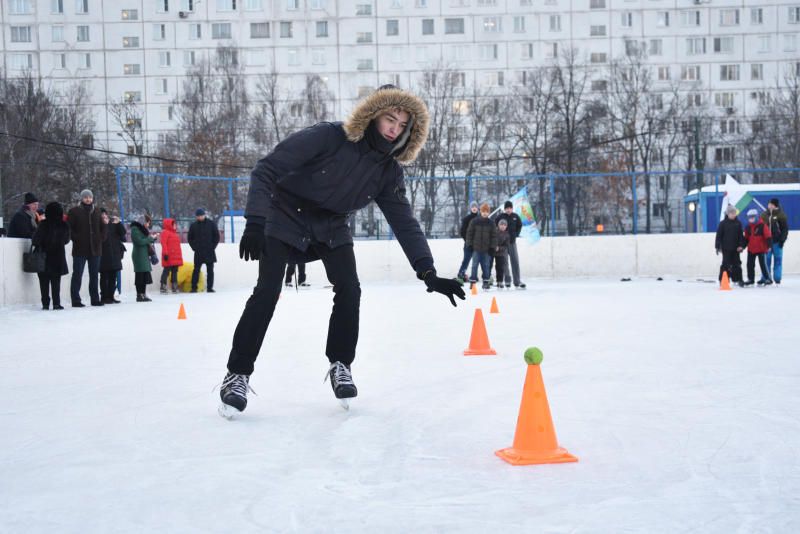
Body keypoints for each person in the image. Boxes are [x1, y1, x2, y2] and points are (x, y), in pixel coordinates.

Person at [218, 84, 464, 417]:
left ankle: (340, 365)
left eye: (402, 124)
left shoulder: (388, 172)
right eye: (390, 118)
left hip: (331, 226)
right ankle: (237, 374)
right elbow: (266, 168)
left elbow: (404, 222)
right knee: (267, 291)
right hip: (285, 215)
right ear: (373, 115)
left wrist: (427, 271)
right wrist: (255, 222)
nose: (394, 128)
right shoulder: (328, 137)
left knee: (350, 288)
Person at [67, 189, 106, 307]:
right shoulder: (74, 211)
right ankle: (75, 300)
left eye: (90, 197)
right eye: (85, 197)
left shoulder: (98, 211)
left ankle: (95, 299)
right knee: (77, 274)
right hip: (80, 249)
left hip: (95, 248)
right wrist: (76, 238)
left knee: (94, 275)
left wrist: (101, 238)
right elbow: (69, 228)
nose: (88, 199)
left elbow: (103, 227)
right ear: (81, 198)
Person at [31, 202, 70, 310]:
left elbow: (35, 240)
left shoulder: (43, 224)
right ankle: (56, 303)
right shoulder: (64, 225)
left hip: (44, 257)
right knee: (56, 282)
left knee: (43, 282)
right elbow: (66, 240)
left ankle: (45, 303)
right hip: (58, 257)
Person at [466, 203, 498, 290]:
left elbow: (494, 236)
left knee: (486, 266)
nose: (484, 213)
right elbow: (469, 233)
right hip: (476, 249)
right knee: (474, 265)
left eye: (486, 211)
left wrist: (492, 247)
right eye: (483, 211)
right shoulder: (475, 221)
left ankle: (486, 282)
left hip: (486, 250)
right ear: (480, 211)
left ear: (488, 212)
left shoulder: (491, 223)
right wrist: (469, 245)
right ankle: (473, 282)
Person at [495, 200, 526, 289]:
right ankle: (507, 281)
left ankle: (517, 281)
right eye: (507, 208)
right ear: (504, 209)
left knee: (515, 261)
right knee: (504, 262)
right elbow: (495, 225)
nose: (508, 210)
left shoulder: (515, 216)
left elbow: (519, 225)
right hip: (503, 244)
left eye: (510, 208)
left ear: (512, 208)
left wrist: (516, 234)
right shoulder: (500, 216)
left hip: (512, 242)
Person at [188, 208, 219, 293]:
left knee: (210, 270)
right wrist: (194, 247)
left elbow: (216, 236)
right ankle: (194, 288)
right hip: (198, 252)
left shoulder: (211, 224)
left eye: (201, 215)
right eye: (198, 216)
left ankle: (210, 288)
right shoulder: (193, 225)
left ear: (204, 215)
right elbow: (190, 238)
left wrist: (212, 246)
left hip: (209, 251)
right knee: (196, 270)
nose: (200, 217)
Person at [99, 208, 126, 304]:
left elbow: (123, 234)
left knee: (113, 276)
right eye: (102, 216)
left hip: (115, 254)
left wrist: (118, 223)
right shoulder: (99, 225)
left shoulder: (113, 224)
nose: (104, 217)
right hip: (103, 255)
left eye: (105, 215)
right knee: (104, 277)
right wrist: (105, 225)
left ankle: (111, 296)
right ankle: (104, 297)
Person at [715, 205, 745, 285]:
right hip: (726, 248)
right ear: (727, 214)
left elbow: (741, 236)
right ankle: (723, 280)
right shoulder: (723, 224)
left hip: (736, 249)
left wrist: (741, 245)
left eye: (734, 212)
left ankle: (738, 279)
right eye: (731, 213)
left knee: (737, 264)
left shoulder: (738, 223)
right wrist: (718, 247)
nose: (733, 214)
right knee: (725, 264)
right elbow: (719, 236)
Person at [130, 215, 159, 302]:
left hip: (144, 254)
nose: (148, 224)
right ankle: (139, 295)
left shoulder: (142, 229)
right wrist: (150, 238)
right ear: (143, 222)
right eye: (147, 222)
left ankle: (143, 294)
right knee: (140, 275)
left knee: (145, 275)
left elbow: (146, 240)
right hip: (139, 255)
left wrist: (153, 238)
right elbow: (139, 241)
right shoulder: (135, 229)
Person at [761, 198, 789, 285]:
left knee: (778, 261)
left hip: (777, 242)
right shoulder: (764, 215)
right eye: (769, 203)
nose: (769, 205)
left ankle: (777, 278)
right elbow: (761, 228)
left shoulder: (781, 215)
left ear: (775, 205)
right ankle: (766, 277)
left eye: (771, 204)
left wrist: (782, 241)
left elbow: (785, 229)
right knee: (766, 261)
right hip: (767, 244)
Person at [743, 208, 772, 286]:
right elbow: (746, 239)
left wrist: (769, 246)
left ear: (757, 216)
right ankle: (751, 279)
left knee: (763, 264)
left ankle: (768, 279)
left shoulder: (762, 225)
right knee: (750, 265)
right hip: (751, 249)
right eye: (749, 217)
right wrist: (742, 247)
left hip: (761, 249)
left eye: (752, 217)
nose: (751, 219)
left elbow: (768, 236)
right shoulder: (747, 227)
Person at [456, 201, 479, 282]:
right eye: (473, 207)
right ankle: (461, 274)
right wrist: (467, 241)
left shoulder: (480, 218)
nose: (474, 208)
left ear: (478, 208)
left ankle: (475, 275)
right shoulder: (466, 219)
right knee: (466, 259)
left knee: (478, 261)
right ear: (470, 208)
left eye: (475, 206)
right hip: (468, 244)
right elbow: (462, 232)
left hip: (478, 244)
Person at [159, 218, 184, 294]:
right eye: (174, 224)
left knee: (174, 271)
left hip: (175, 257)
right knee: (166, 271)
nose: (175, 226)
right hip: (169, 256)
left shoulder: (175, 234)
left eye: (175, 224)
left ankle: (174, 286)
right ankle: (163, 286)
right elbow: (164, 243)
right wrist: (165, 253)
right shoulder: (165, 232)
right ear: (169, 225)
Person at [494, 219, 511, 289]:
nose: (503, 226)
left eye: (504, 225)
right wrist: (494, 246)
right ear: (498, 225)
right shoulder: (494, 232)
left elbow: (506, 246)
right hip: (491, 252)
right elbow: (491, 239)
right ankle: (487, 281)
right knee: (487, 266)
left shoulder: (507, 235)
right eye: (501, 225)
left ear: (506, 226)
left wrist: (499, 248)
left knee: (500, 268)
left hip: (500, 253)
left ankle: (499, 281)